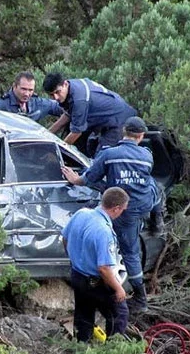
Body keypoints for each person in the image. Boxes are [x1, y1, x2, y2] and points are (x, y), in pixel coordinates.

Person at [61, 116, 164, 314]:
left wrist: (75, 179)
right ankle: (157, 220)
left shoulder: (110, 154)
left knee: (130, 252)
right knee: (154, 185)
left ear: (123, 131)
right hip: (144, 203)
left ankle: (141, 300)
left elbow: (90, 177)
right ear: (141, 136)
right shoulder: (147, 155)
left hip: (124, 209)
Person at [62, 186, 130, 342]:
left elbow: (65, 239)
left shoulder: (81, 214)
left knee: (84, 315)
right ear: (116, 209)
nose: (122, 213)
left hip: (77, 275)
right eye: (123, 210)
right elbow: (104, 268)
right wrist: (119, 289)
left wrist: (75, 259)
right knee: (119, 315)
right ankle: (112, 353)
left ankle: (80, 350)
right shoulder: (103, 231)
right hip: (95, 281)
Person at [42, 73, 138, 157]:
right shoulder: (70, 87)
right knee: (77, 144)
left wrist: (56, 152)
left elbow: (76, 132)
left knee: (103, 157)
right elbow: (67, 115)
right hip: (104, 117)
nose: (56, 97)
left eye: (57, 92)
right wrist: (45, 135)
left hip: (118, 119)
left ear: (65, 84)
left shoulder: (79, 100)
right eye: (51, 95)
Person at [0, 71, 68, 123]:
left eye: (30, 90)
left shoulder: (37, 103)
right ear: (14, 86)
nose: (27, 94)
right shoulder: (1, 105)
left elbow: (60, 108)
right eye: (23, 89)